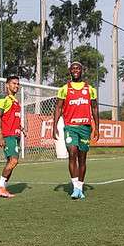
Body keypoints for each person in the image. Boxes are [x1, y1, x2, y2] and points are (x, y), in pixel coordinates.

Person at [53, 62, 99, 200]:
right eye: (73, 68)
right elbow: (58, 108)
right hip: (70, 127)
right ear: (70, 71)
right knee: (72, 152)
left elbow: (95, 108)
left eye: (78, 68)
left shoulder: (90, 89)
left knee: (82, 158)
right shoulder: (64, 89)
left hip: (85, 127)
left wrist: (97, 127)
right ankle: (75, 187)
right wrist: (54, 125)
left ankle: (80, 187)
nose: (75, 70)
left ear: (82, 70)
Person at [0, 75, 24, 198]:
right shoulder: (3, 98)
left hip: (16, 135)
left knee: (11, 162)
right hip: (8, 135)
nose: (16, 86)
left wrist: (21, 128)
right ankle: (0, 186)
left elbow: (12, 117)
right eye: (13, 83)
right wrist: (0, 135)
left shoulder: (15, 101)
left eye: (17, 84)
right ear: (7, 85)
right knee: (14, 161)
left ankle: (2, 188)